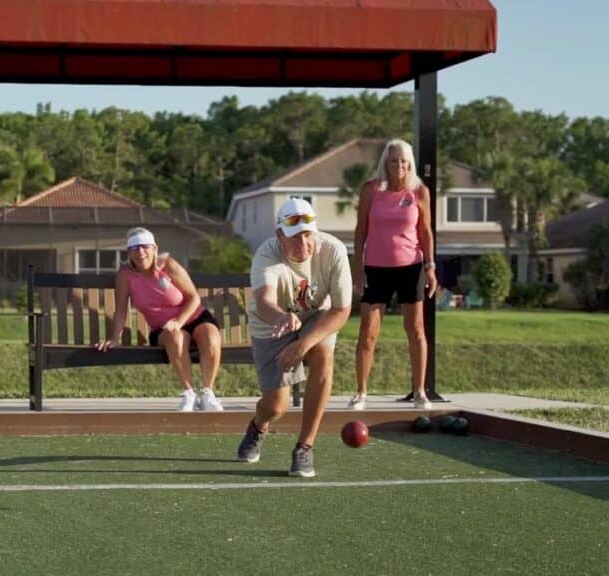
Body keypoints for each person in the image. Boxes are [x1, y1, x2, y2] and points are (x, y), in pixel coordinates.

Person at [235, 198, 352, 478]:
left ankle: (305, 447)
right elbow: (264, 301)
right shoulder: (266, 255)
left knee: (323, 356)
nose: (303, 244)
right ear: (279, 236)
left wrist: (302, 344)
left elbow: (341, 310)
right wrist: (281, 319)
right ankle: (259, 425)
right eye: (295, 237)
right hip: (271, 324)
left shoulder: (333, 250)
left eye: (307, 235)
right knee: (276, 407)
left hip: (317, 317)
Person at [95, 227, 224, 412]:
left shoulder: (169, 265)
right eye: (135, 248)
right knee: (175, 338)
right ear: (128, 253)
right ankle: (189, 393)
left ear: (154, 248)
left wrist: (179, 321)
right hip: (163, 329)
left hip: (194, 317)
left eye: (145, 246)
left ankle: (207, 394)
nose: (141, 252)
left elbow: (194, 297)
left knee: (211, 337)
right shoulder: (125, 275)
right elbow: (121, 310)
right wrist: (114, 339)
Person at [351, 139, 437, 411]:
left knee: (416, 330)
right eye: (393, 160)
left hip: (411, 267)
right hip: (377, 269)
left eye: (403, 161)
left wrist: (431, 267)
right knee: (368, 332)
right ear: (384, 163)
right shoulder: (371, 190)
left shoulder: (419, 192)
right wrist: (358, 266)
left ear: (409, 164)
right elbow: (360, 230)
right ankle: (361, 392)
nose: (398, 165)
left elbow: (425, 231)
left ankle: (420, 391)